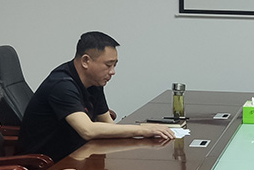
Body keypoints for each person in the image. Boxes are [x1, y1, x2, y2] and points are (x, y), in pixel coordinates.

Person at [17, 31, 174, 161]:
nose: (112, 72)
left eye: (115, 65)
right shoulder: (61, 85)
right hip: (46, 165)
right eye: (108, 65)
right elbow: (88, 130)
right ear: (86, 61)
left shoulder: (94, 82)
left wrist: (147, 132)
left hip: (78, 154)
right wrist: (144, 130)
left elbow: (107, 123)